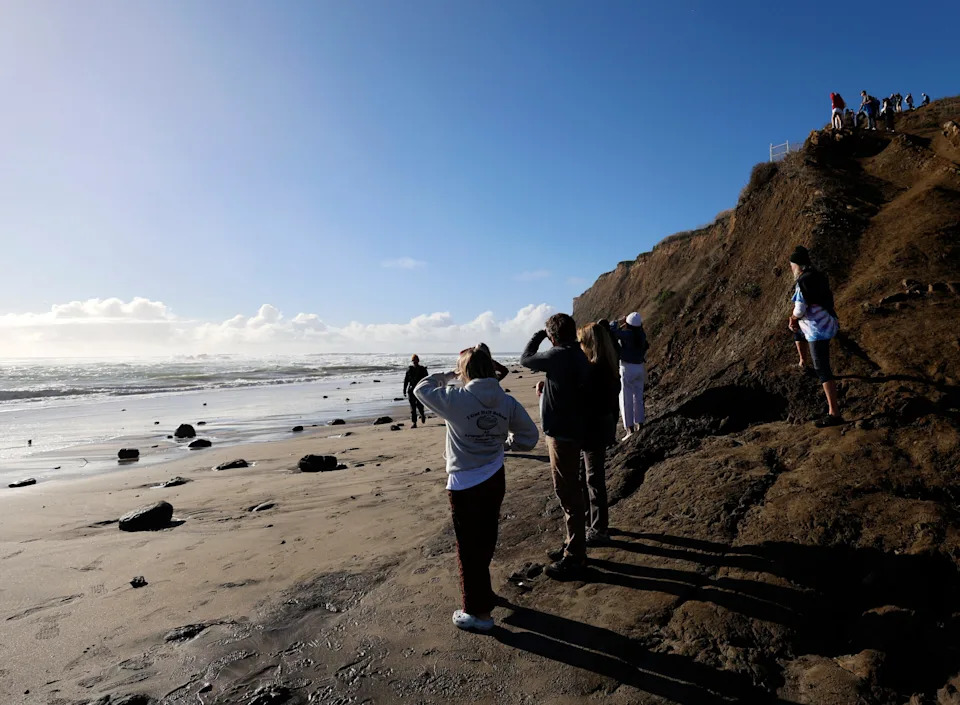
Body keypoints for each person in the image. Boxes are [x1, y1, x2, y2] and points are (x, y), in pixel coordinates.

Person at [414, 346, 539, 632]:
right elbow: (529, 437)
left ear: (464, 371)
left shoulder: (456, 398)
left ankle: (478, 613)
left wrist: (448, 374)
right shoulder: (506, 401)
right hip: (495, 476)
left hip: (465, 482)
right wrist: (505, 445)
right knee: (485, 539)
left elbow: (422, 388)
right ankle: (484, 594)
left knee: (468, 548)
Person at [521, 313, 590, 579]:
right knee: (573, 488)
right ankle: (573, 544)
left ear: (553, 336)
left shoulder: (559, 354)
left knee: (567, 491)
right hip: (573, 429)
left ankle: (575, 556)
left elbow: (525, 359)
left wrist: (538, 336)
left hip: (563, 435)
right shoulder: (575, 353)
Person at [787, 246, 842, 428]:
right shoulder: (818, 276)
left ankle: (834, 414)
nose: (791, 268)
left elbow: (800, 309)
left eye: (792, 265)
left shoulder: (802, 281)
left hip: (817, 328)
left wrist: (793, 318)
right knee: (797, 332)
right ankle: (803, 361)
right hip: (828, 320)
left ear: (797, 265)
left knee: (822, 369)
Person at [577, 323, 620, 546]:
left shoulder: (594, 370)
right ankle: (593, 523)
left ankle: (599, 528)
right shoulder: (609, 367)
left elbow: (587, 402)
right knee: (590, 478)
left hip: (592, 429)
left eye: (581, 342)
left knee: (592, 479)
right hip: (602, 427)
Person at [609, 312, 649, 441]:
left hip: (627, 368)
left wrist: (619, 321)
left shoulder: (627, 335)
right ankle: (640, 424)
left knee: (625, 399)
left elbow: (611, 330)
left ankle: (629, 429)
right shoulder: (641, 335)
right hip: (639, 367)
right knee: (638, 398)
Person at [402, 355, 428, 428]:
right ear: (412, 361)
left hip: (420, 390)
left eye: (416, 360)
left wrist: (427, 389)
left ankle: (422, 415)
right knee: (412, 408)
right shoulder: (409, 370)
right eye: (414, 360)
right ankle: (414, 423)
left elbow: (427, 380)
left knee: (419, 406)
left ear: (418, 361)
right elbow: (406, 380)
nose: (415, 362)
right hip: (411, 390)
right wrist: (404, 390)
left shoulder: (423, 369)